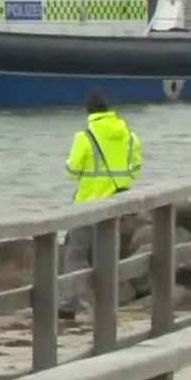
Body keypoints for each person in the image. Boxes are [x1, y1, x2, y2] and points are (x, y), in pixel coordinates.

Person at [59, 88, 142, 319]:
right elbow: (135, 169)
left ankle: (70, 304)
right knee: (105, 257)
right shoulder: (129, 135)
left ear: (88, 110)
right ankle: (106, 304)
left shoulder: (84, 137)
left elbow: (72, 172)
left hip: (88, 204)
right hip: (117, 206)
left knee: (75, 255)